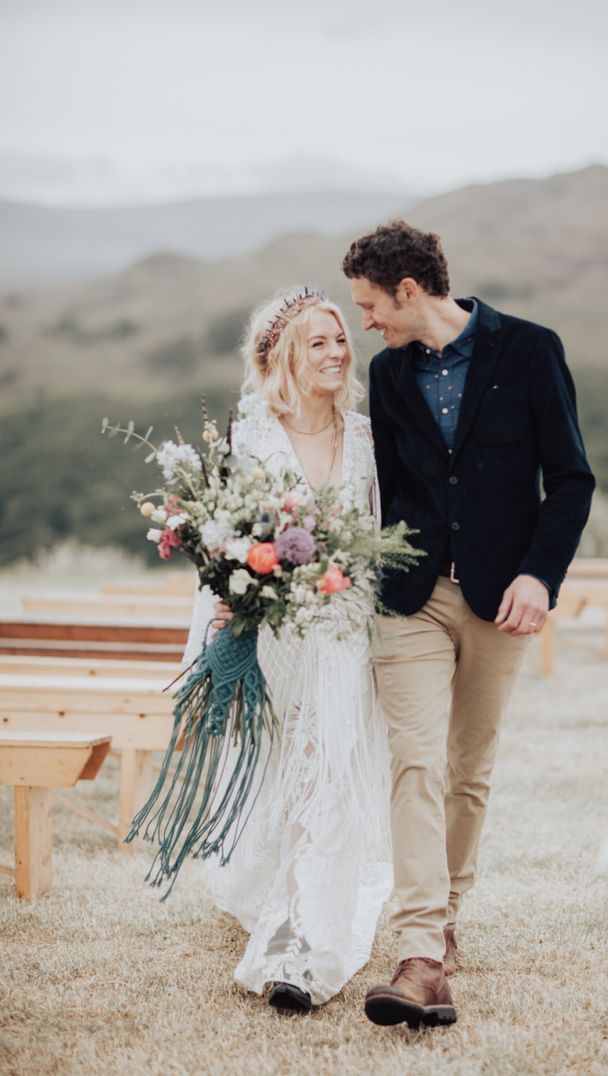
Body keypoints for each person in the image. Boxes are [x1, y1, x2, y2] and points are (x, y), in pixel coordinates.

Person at [342, 220, 595, 1028]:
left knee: (467, 766)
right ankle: (418, 953)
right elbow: (379, 483)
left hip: (502, 597)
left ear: (409, 291)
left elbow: (572, 480)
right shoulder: (387, 375)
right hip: (407, 599)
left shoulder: (530, 350)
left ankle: (446, 918)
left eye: (371, 305)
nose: (367, 323)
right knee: (414, 763)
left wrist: (539, 575)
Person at [183, 287, 392, 1013]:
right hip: (275, 632)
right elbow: (225, 542)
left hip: (343, 631)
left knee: (326, 768)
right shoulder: (252, 436)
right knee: (281, 769)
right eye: (319, 342)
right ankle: (275, 891)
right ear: (281, 357)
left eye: (342, 339)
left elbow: (382, 535)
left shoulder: (369, 438)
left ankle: (303, 952)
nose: (337, 352)